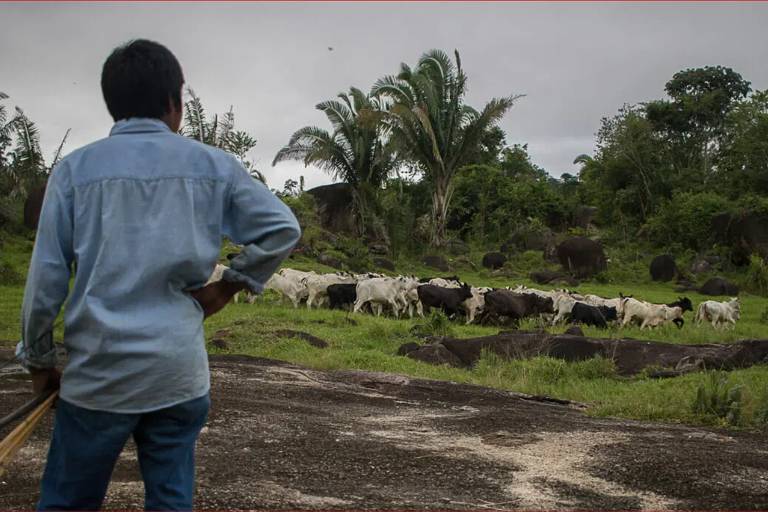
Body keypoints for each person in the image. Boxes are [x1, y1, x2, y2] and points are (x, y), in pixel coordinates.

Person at [16, 39, 301, 511]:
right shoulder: (214, 167)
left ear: (112, 103)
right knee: (171, 501)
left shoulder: (73, 173)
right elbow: (282, 228)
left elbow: (45, 280)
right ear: (174, 102)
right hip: (177, 378)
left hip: (98, 380)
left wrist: (40, 364)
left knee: (67, 501)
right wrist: (227, 287)